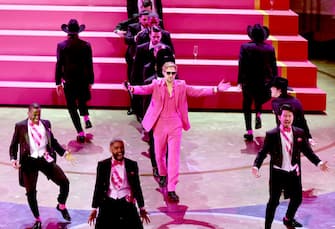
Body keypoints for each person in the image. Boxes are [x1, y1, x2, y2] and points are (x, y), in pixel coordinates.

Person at [125, 62, 231, 203]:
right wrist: (131, 89)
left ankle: (171, 188)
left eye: (173, 73)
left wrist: (216, 89)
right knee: (159, 154)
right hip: (159, 124)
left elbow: (197, 92)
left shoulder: (181, 86)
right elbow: (143, 89)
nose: (170, 76)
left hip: (175, 124)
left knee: (174, 157)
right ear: (163, 73)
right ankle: (162, 174)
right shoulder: (156, 84)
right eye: (168, 73)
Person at [251, 104, 329, 229]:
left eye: (289, 116)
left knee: (297, 199)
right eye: (285, 116)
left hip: (293, 172)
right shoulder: (272, 134)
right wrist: (256, 166)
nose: (287, 118)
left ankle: (288, 219)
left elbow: (307, 151)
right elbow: (263, 152)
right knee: (273, 202)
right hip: (278, 173)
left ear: (293, 117)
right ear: (279, 117)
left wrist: (319, 163)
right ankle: (267, 227)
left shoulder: (299, 133)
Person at [9, 103, 74, 229]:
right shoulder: (20, 126)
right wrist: (13, 159)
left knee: (64, 182)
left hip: (45, 159)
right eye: (34, 114)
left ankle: (61, 205)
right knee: (31, 193)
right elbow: (13, 145)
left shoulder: (46, 124)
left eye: (39, 114)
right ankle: (37, 219)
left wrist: (64, 153)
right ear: (28, 113)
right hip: (28, 162)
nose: (37, 116)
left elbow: (53, 142)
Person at [88, 138, 150, 228]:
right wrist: (94, 208)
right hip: (108, 202)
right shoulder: (103, 165)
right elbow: (98, 187)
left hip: (127, 202)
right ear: (111, 149)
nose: (120, 150)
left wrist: (141, 207)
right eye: (116, 148)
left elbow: (137, 187)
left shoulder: (132, 164)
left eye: (122, 148)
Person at [55, 19, 94, 143]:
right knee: (82, 100)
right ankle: (86, 118)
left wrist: (58, 82)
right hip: (82, 80)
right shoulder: (86, 45)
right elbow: (89, 64)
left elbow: (59, 64)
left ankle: (80, 132)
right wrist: (91, 81)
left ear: (67, 32)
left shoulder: (62, 46)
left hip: (69, 81)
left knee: (72, 108)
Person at [238, 23, 278, 141]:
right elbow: (274, 66)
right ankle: (259, 114)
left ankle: (249, 132)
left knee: (247, 104)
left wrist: (240, 81)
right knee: (259, 98)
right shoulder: (270, 48)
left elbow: (242, 65)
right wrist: (274, 81)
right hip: (264, 82)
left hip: (249, 82)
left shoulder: (245, 47)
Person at [270, 76, 315, 145]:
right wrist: (309, 137)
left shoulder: (275, 103)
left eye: (272, 87)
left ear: (279, 90)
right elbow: (303, 121)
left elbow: (279, 124)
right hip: (299, 137)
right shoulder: (296, 101)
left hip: (287, 138)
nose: (270, 89)